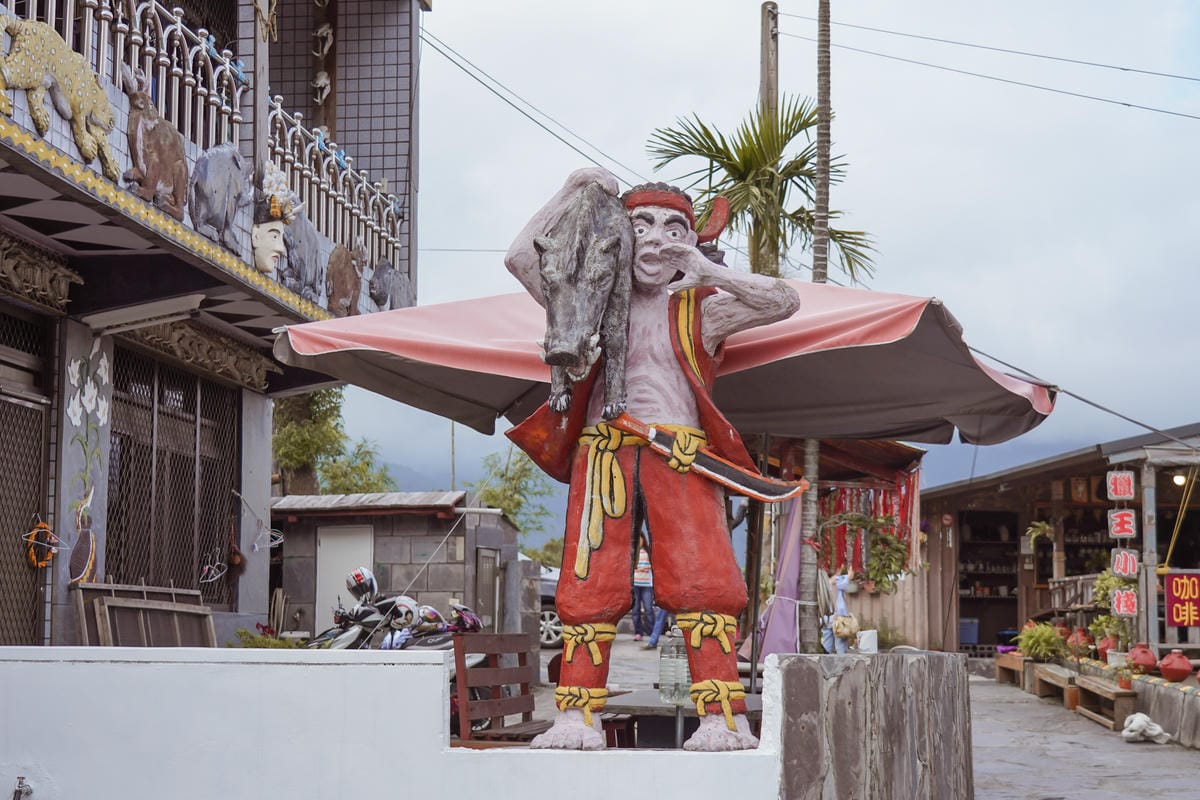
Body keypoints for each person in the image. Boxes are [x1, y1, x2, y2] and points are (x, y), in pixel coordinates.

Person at [505, 167, 800, 751]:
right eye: (642, 225)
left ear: (691, 241)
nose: (659, 239)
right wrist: (573, 190)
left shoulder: (703, 309)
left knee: (705, 581)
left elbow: (784, 301)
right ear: (618, 234)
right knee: (588, 582)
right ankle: (575, 718)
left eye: (675, 228)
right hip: (605, 448)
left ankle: (723, 718)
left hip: (679, 451)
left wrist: (710, 270)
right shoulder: (586, 296)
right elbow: (521, 257)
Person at [631, 543, 654, 641]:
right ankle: (638, 632)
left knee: (648, 608)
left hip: (646, 584)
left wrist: (644, 568)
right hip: (635, 583)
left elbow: (653, 564)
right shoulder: (632, 552)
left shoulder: (648, 552)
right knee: (635, 610)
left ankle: (652, 632)